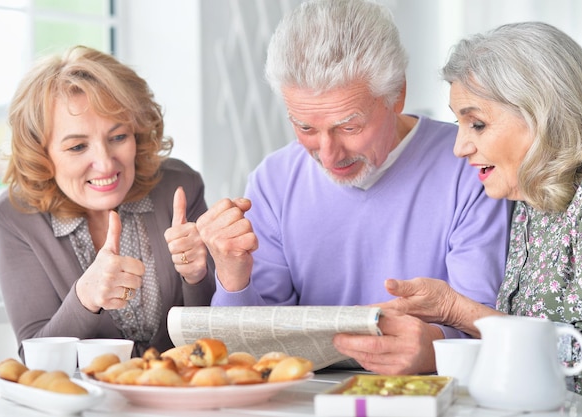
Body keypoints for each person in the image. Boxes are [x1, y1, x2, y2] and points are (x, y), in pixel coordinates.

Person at [196, 0, 512, 375]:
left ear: (397, 96)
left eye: (349, 127)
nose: (328, 154)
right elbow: (242, 356)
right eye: (306, 128)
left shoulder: (472, 165)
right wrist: (233, 275)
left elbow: (485, 327)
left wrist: (433, 350)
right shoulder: (273, 179)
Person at [378, 21, 582, 392]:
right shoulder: (530, 200)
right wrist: (449, 308)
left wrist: (455, 309)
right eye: (460, 123)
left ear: (542, 114)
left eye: (477, 123)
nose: (460, 148)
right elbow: (538, 349)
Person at [0, 45, 215, 358]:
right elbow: (35, 359)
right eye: (78, 147)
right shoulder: (16, 217)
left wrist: (196, 277)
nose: (106, 164)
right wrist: (84, 298)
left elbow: (216, 337)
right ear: (42, 156)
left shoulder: (179, 187)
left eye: (118, 137)